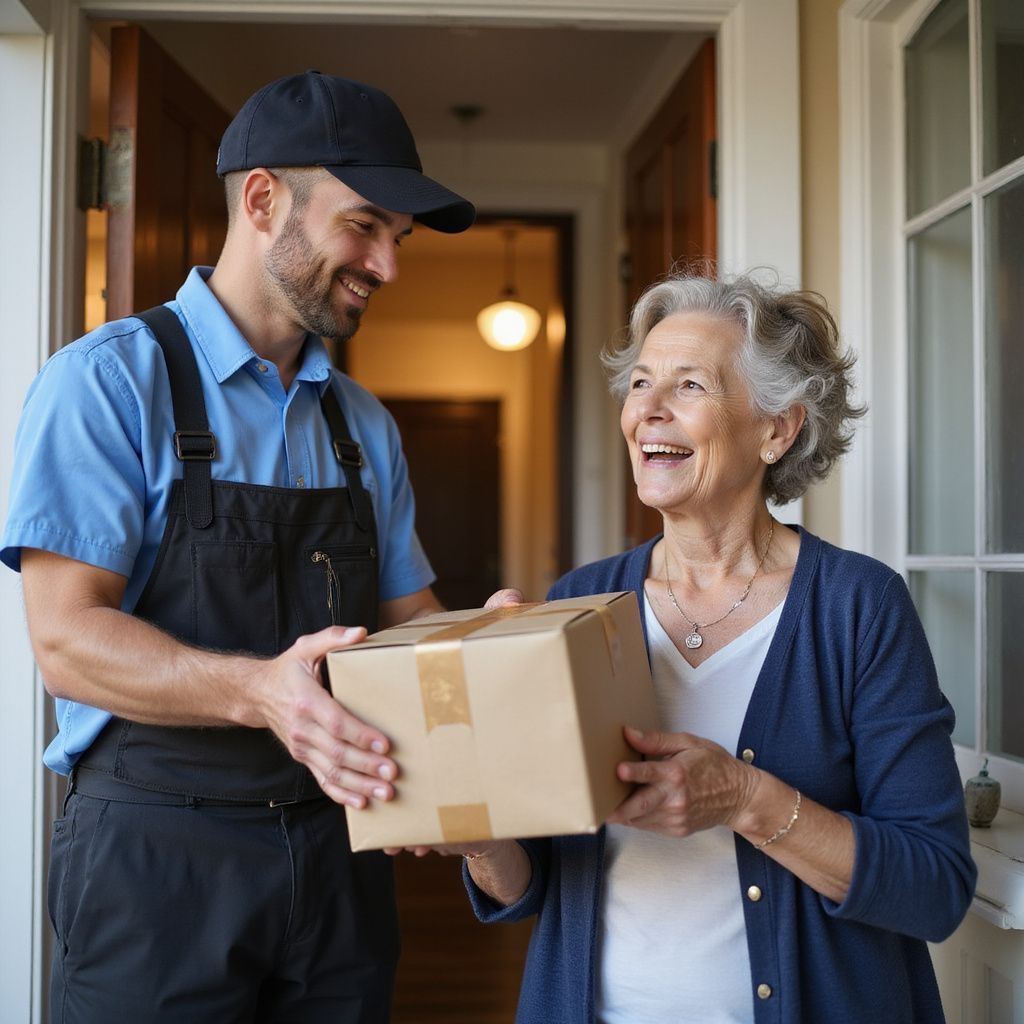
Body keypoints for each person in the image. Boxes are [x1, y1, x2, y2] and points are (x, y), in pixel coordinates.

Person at [1, 70, 478, 1023]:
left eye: (398, 239)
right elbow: (63, 642)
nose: (387, 265)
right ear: (263, 200)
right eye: (365, 225)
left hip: (344, 856)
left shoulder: (363, 426)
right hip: (155, 863)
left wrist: (493, 646)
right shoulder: (106, 384)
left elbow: (405, 617)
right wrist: (263, 691)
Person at [449, 273, 977, 1023]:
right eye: (639, 384)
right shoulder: (577, 603)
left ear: (777, 429)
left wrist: (744, 797)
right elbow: (530, 882)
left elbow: (934, 889)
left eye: (689, 385)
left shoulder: (858, 606)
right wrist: (474, 831)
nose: (647, 412)